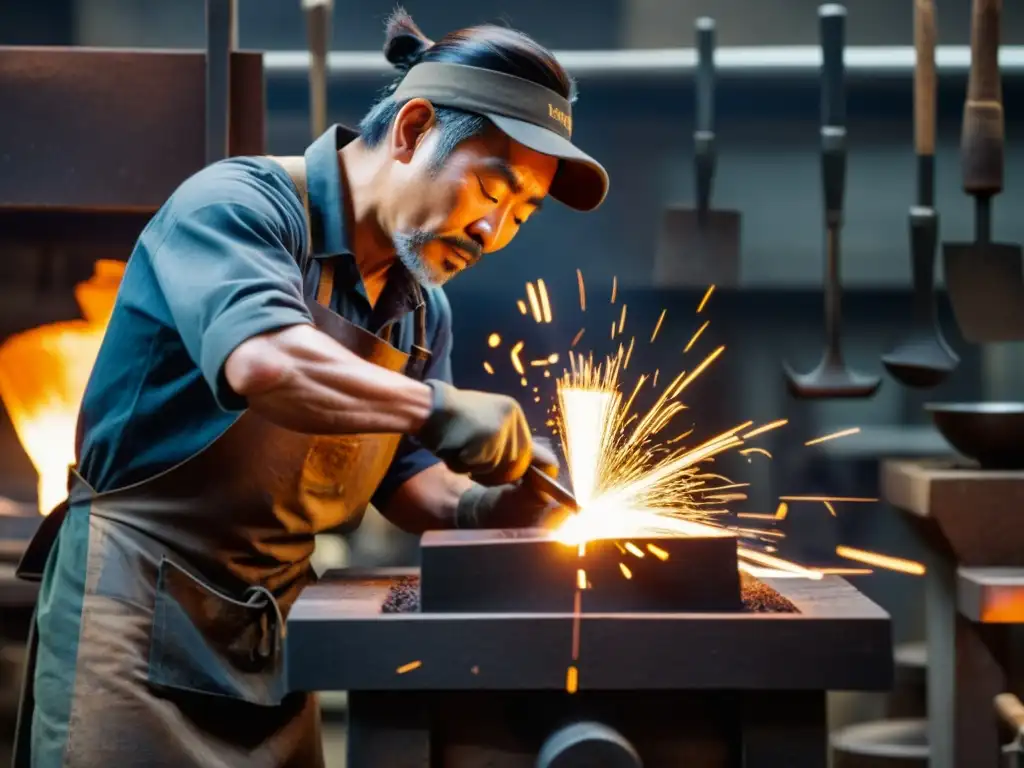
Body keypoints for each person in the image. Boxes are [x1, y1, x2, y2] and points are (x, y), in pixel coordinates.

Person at [11, 8, 608, 768]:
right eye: (492, 188)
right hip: (131, 622)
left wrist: (482, 508)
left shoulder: (422, 309)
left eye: (522, 214)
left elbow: (405, 474)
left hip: (275, 640)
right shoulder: (238, 206)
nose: (495, 231)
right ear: (413, 129)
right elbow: (266, 362)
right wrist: (435, 408)